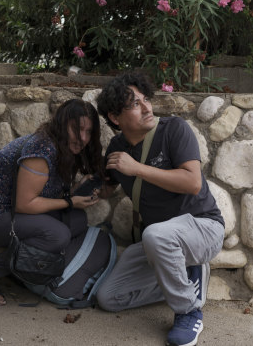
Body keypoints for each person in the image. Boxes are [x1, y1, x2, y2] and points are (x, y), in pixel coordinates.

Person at [95, 72, 225, 346]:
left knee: (154, 235)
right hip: (161, 242)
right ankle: (184, 280)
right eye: (134, 104)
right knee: (109, 298)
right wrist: (83, 193)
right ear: (115, 118)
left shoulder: (174, 129)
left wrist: (138, 168)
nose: (146, 107)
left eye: (145, 99)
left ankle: (188, 310)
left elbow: (192, 182)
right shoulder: (116, 148)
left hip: (203, 227)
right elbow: (107, 186)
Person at [0, 99, 103, 306]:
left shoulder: (62, 147)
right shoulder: (42, 148)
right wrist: (70, 202)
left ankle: (23, 266)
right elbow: (25, 204)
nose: (83, 138)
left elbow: (43, 191)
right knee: (57, 235)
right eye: (77, 129)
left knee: (77, 220)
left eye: (89, 132)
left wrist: (76, 190)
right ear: (62, 124)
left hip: (10, 211)